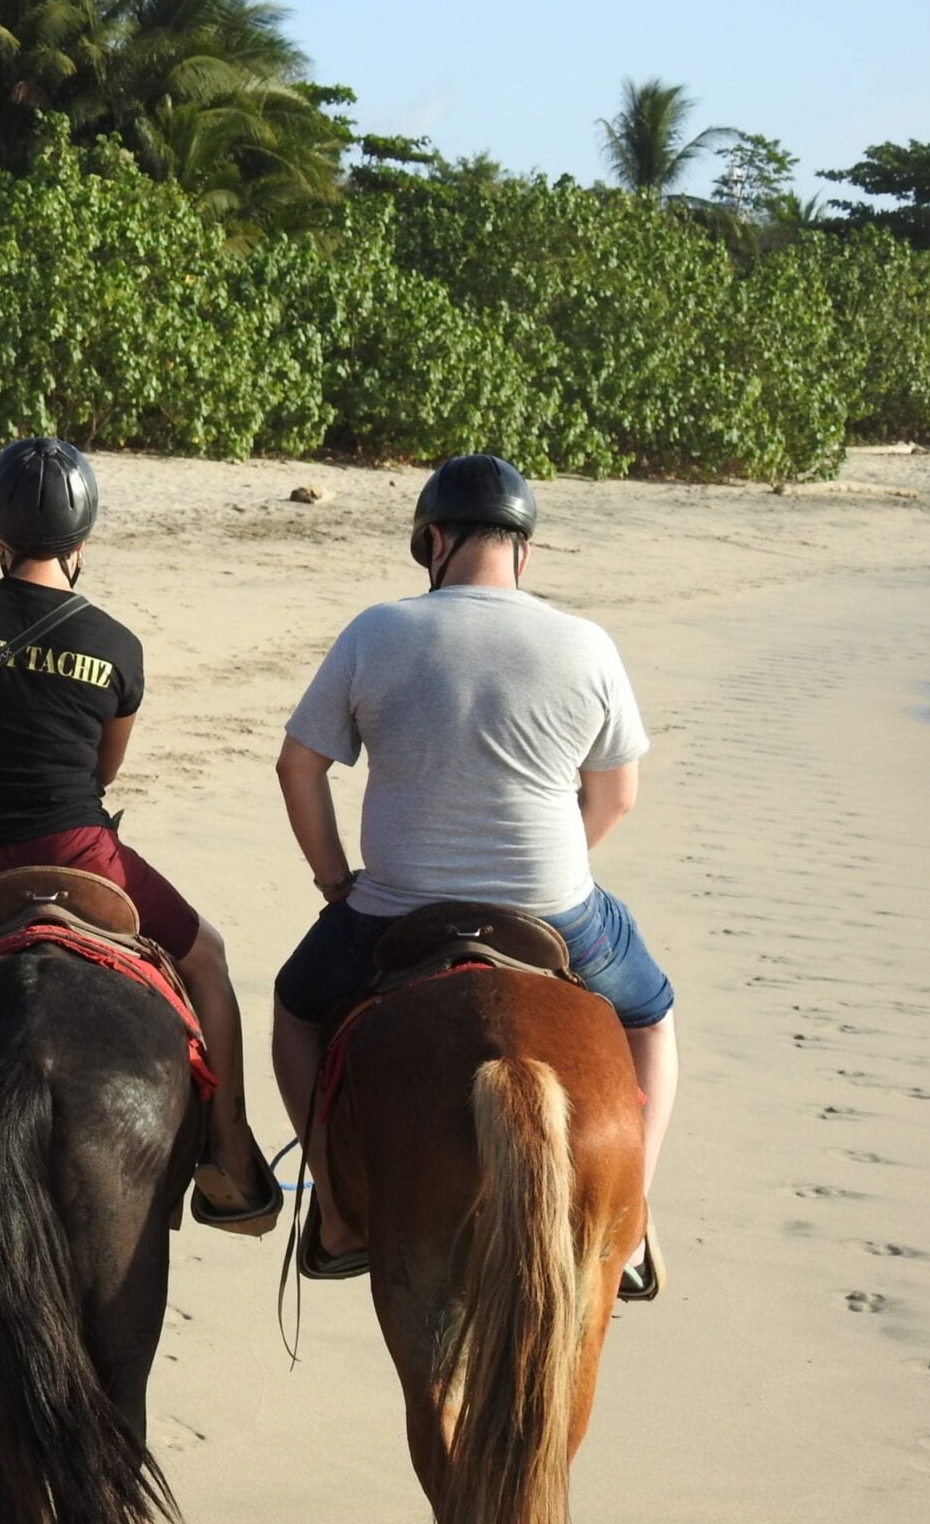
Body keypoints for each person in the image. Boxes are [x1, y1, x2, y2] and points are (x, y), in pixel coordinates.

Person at [0, 436, 279, 1254]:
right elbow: (104, 768)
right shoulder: (117, 643)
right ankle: (226, 1151)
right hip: (81, 853)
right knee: (209, 960)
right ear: (81, 542)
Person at [270, 452, 676, 1299]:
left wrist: (333, 880)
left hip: (392, 910)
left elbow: (297, 768)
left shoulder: (378, 630)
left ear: (434, 540)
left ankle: (341, 1209)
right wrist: (556, 867)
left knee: (297, 1010)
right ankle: (630, 1220)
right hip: (555, 908)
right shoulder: (585, 642)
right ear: (523, 552)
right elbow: (619, 796)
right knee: (651, 1021)